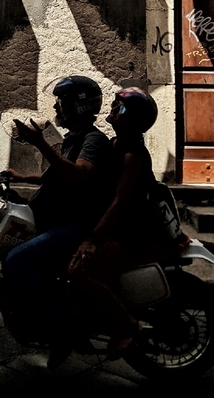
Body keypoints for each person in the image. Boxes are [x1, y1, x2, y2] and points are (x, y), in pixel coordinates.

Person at [2, 75, 113, 365]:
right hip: (61, 221)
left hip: (76, 226)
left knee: (16, 261)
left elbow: (79, 174)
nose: (57, 107)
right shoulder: (74, 140)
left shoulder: (93, 140)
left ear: (78, 107)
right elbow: (58, 175)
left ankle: (60, 331)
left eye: (62, 102)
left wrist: (41, 144)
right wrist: (21, 177)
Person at [68, 87, 179, 360]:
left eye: (120, 107)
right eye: (115, 105)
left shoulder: (133, 154)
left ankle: (126, 326)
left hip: (134, 232)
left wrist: (92, 240)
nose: (113, 110)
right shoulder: (116, 145)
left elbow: (119, 201)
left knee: (78, 269)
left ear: (134, 118)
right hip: (119, 227)